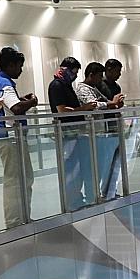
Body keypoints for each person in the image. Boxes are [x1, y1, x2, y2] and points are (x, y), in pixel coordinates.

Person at [0, 46, 40, 229]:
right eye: (19, 66)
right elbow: (16, 109)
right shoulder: (5, 83)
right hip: (10, 138)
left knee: (24, 178)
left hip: (10, 137)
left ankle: (22, 217)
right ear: (10, 65)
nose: (21, 70)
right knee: (14, 180)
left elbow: (12, 104)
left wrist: (21, 98)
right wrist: (32, 102)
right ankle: (14, 221)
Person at [48, 56, 100, 210]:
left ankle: (77, 198)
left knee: (77, 168)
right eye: (74, 72)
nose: (76, 75)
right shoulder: (57, 85)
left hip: (75, 132)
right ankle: (71, 201)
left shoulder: (66, 85)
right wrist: (84, 108)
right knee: (70, 168)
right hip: (66, 133)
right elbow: (62, 110)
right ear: (66, 70)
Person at [74, 62, 122, 201]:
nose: (101, 80)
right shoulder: (83, 88)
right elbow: (93, 105)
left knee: (99, 166)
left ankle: (97, 194)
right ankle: (92, 196)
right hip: (89, 134)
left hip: (99, 133)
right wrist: (108, 104)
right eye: (99, 76)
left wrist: (110, 103)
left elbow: (106, 102)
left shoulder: (93, 88)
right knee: (91, 167)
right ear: (91, 75)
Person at [96, 59, 127, 198]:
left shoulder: (116, 86)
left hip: (115, 127)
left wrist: (117, 104)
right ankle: (104, 191)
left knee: (115, 161)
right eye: (117, 71)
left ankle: (110, 190)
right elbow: (103, 105)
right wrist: (113, 103)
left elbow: (116, 105)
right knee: (106, 161)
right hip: (104, 128)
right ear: (108, 69)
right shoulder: (99, 85)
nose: (119, 74)